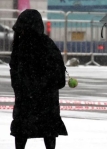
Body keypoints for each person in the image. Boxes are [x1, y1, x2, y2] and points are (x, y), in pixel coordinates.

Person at [9, 9, 68, 149]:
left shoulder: (20, 47)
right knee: (48, 130)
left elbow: (15, 74)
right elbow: (59, 77)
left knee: (22, 130)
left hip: (25, 101)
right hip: (47, 102)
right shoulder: (48, 45)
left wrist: (24, 90)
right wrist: (46, 86)